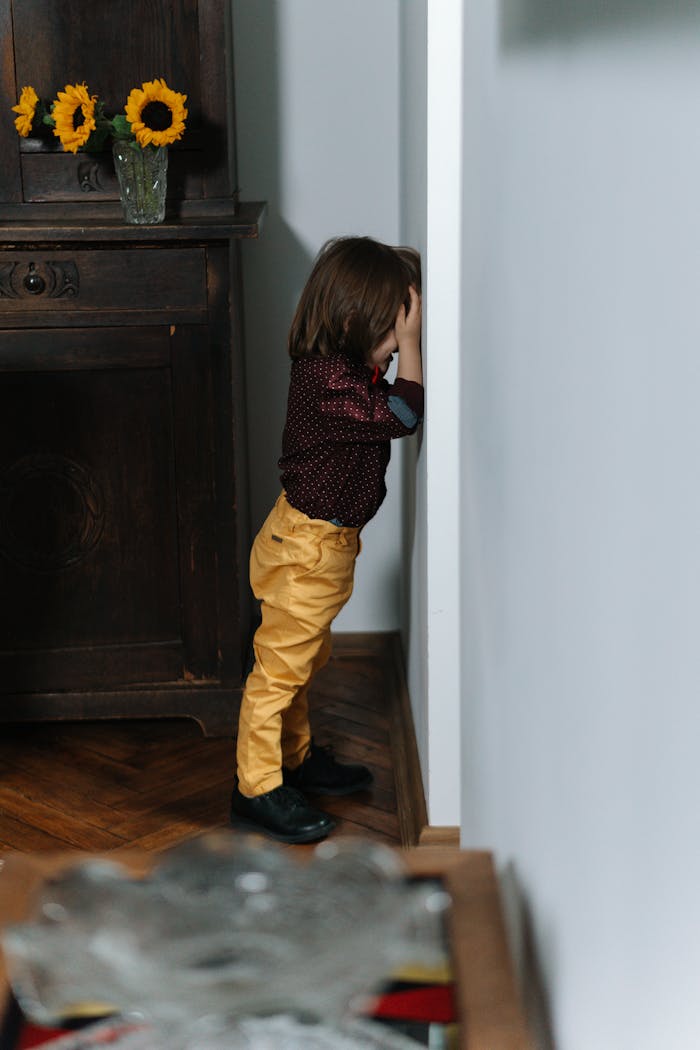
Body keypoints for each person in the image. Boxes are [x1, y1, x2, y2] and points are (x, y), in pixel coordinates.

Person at [230, 236, 423, 843]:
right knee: (279, 672)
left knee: (303, 660)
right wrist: (414, 346)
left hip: (317, 545)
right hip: (307, 550)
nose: (397, 344)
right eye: (391, 329)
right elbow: (403, 416)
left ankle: (295, 759)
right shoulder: (327, 380)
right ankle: (255, 787)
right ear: (351, 321)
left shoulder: (347, 368)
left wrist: (397, 336)